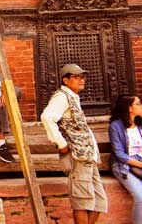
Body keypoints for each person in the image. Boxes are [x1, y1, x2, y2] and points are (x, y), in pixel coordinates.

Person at [41, 64, 106, 224]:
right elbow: (47, 117)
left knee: (99, 202)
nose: (81, 80)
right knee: (82, 202)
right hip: (77, 157)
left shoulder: (72, 97)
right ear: (66, 80)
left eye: (82, 77)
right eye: (76, 77)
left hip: (87, 156)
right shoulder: (62, 97)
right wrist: (60, 143)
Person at [109, 94, 142, 223]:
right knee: (140, 197)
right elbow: (120, 154)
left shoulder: (140, 124)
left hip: (139, 163)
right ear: (129, 108)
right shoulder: (115, 126)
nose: (141, 106)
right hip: (124, 166)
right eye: (138, 104)